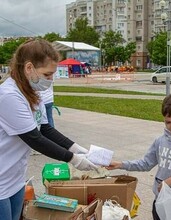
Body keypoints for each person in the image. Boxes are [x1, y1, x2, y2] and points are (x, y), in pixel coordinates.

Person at [0, 39, 99, 220]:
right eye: (47, 74)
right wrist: (74, 160)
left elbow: (46, 129)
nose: (50, 80)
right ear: (29, 68)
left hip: (14, 177)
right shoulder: (9, 96)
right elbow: (35, 139)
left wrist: (77, 148)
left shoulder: (33, 92)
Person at [106, 93, 171, 220]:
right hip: (160, 201)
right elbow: (145, 163)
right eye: (168, 122)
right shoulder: (160, 141)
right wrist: (120, 164)